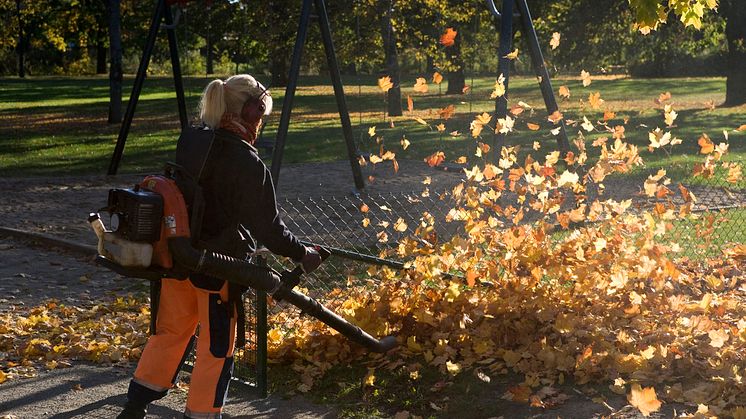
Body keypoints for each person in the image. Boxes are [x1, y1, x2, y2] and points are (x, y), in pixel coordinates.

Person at [118, 74, 322, 419]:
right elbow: (270, 230)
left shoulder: (194, 141)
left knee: (169, 333)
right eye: (261, 113)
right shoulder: (247, 162)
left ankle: (135, 405)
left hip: (177, 256)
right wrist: (304, 253)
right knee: (216, 348)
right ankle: (201, 413)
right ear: (252, 112)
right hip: (217, 267)